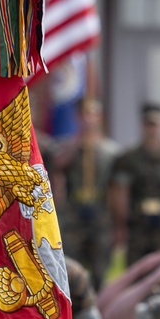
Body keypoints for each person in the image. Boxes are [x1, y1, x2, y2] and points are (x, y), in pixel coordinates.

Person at [45, 97, 120, 290]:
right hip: (73, 216)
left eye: (93, 114)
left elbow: (117, 188)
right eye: (84, 114)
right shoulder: (66, 145)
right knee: (71, 269)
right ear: (77, 117)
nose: (89, 119)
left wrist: (119, 223)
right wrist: (80, 139)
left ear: (99, 117)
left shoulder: (111, 151)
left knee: (100, 270)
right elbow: (57, 164)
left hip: (100, 216)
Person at [110, 102, 160, 264]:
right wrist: (121, 225)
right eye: (148, 124)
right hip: (137, 223)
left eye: (156, 124)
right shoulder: (130, 157)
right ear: (142, 126)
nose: (152, 129)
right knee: (136, 269)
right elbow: (120, 191)